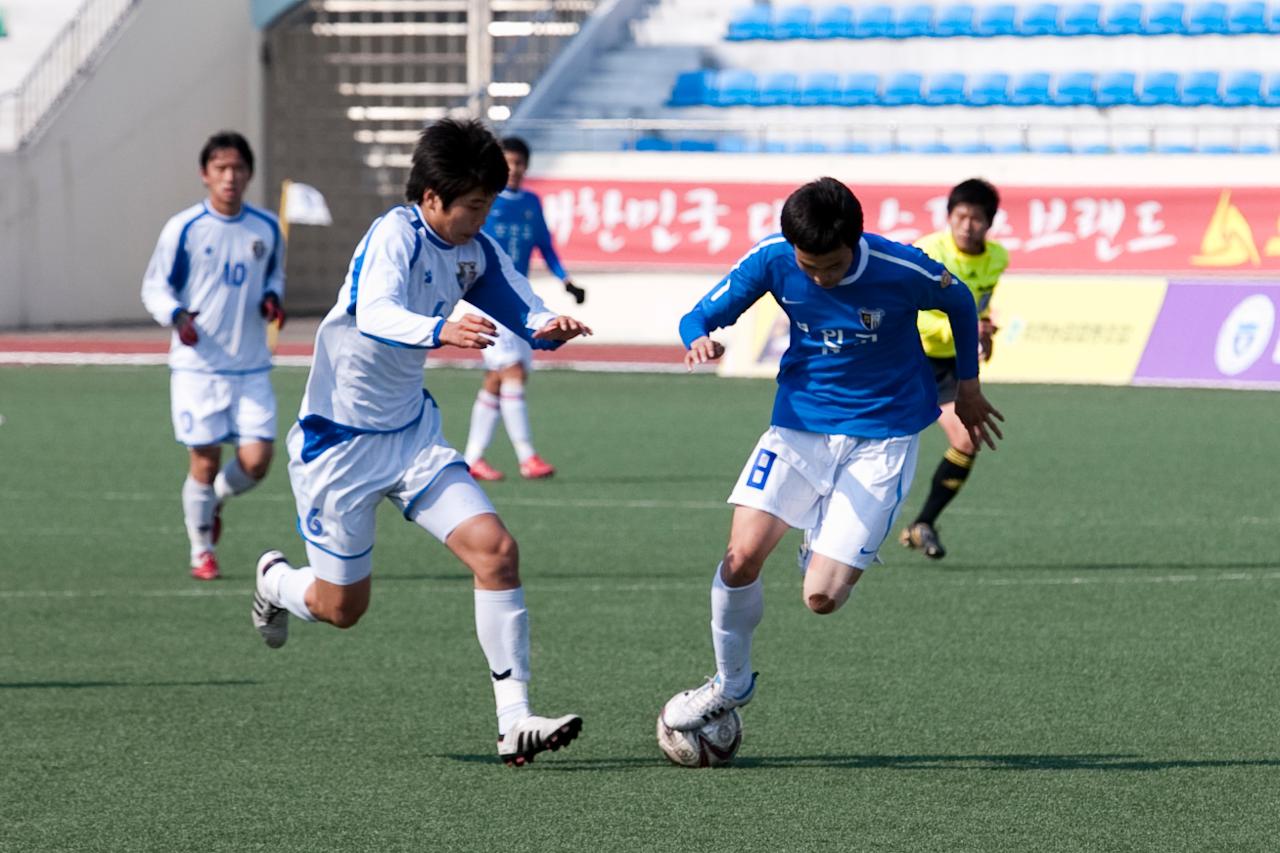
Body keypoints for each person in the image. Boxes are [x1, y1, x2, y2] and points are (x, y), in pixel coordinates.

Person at [250, 119, 590, 767]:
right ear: (432, 197)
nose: (482, 218)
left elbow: (512, 287)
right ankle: (275, 580)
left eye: (489, 204)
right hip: (339, 445)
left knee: (497, 551)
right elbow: (373, 312)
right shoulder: (392, 236)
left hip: (411, 436)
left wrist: (547, 320)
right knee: (341, 606)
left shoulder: (472, 244)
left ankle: (514, 720)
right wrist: (442, 328)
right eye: (473, 206)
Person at [660, 177, 1004, 732]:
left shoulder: (901, 268)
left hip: (882, 439)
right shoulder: (773, 260)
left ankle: (821, 538)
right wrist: (698, 338)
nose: (820, 277)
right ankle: (731, 683)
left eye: (833, 266)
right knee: (739, 558)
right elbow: (698, 316)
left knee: (821, 598)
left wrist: (968, 388)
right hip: (798, 429)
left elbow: (959, 301)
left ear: (857, 240)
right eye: (810, 267)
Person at [141, 131, 286, 581]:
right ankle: (201, 550)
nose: (230, 176)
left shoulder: (265, 229)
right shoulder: (183, 228)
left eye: (238, 168)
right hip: (197, 367)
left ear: (249, 174)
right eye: (221, 168)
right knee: (202, 461)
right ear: (205, 174)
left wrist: (271, 300)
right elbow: (154, 287)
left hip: (251, 365)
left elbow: (273, 280)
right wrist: (176, 315)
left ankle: (217, 498)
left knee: (258, 460)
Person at [462, 136, 586, 482]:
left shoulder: (531, 203)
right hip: (490, 301)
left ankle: (471, 458)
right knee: (512, 371)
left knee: (498, 379)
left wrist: (567, 281)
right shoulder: (485, 203)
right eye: (507, 163)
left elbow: (545, 247)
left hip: (520, 303)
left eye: (518, 163)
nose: (513, 169)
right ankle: (527, 456)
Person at [899, 178, 1009, 560]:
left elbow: (980, 304)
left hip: (949, 364)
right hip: (908, 357)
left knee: (967, 439)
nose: (967, 225)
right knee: (877, 439)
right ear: (949, 217)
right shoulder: (928, 251)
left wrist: (984, 329)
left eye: (976, 218)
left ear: (989, 223)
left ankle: (923, 523)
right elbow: (905, 311)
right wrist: (958, 327)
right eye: (960, 216)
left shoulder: (998, 258)